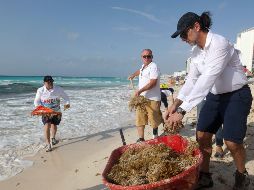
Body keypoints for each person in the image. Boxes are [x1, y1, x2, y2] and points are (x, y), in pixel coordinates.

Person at [166, 11, 252, 190]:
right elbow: (192, 80)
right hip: (214, 96)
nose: (182, 38)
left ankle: (241, 174)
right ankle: (205, 175)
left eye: (184, 33)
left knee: (232, 142)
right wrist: (176, 103)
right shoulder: (196, 53)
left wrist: (182, 112)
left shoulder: (219, 44)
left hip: (236, 95)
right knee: (202, 136)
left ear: (196, 27)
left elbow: (207, 80)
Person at [128, 49, 163, 142]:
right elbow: (140, 71)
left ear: (152, 57)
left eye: (149, 56)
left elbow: (153, 83)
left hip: (153, 99)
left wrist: (140, 90)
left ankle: (155, 137)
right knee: (140, 118)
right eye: (144, 56)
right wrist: (133, 75)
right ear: (141, 57)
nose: (147, 58)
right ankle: (141, 138)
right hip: (141, 98)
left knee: (154, 120)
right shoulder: (143, 66)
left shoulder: (153, 67)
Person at [34, 76, 70, 152]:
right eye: (48, 82)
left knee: (54, 124)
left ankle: (53, 138)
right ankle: (48, 144)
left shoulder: (58, 89)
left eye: (51, 81)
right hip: (45, 112)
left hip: (57, 111)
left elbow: (66, 97)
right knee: (47, 125)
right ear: (44, 83)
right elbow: (36, 101)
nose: (50, 83)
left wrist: (67, 104)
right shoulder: (40, 90)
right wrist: (39, 109)